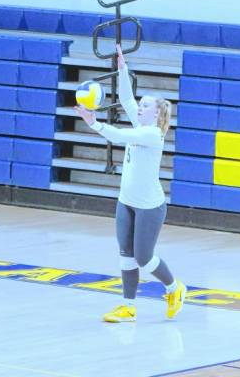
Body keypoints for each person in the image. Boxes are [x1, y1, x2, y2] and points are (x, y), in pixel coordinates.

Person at [74, 44, 186, 323]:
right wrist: (122, 67)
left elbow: (118, 137)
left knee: (144, 258)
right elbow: (125, 97)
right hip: (127, 201)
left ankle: (175, 288)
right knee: (126, 255)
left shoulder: (151, 135)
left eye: (145, 105)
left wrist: (94, 124)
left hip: (150, 207)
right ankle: (128, 307)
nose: (140, 107)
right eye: (142, 104)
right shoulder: (141, 124)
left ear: (156, 114)